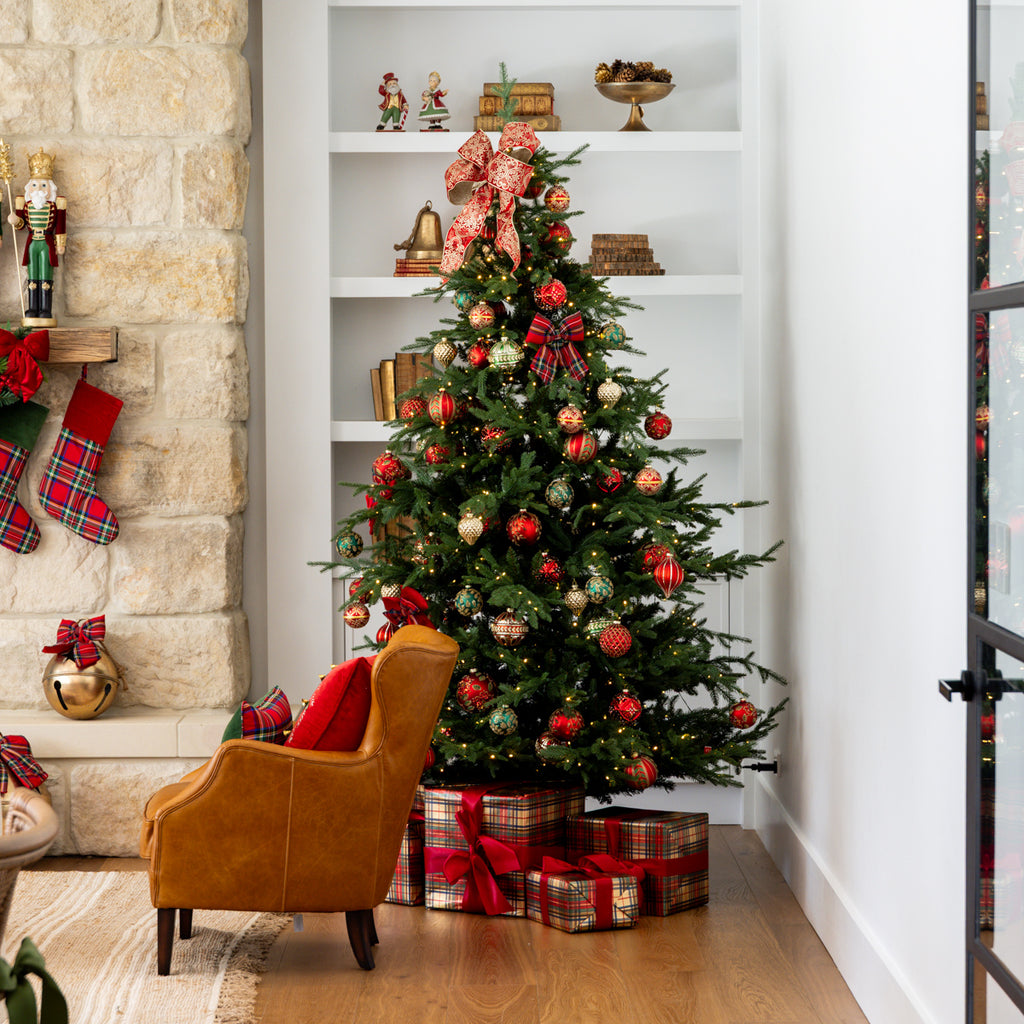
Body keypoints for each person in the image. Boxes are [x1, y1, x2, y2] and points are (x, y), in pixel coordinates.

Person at [7, 148, 65, 327]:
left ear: (50, 189)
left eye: (43, 186)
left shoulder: (55, 205)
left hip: (47, 243)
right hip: (32, 243)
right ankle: (33, 308)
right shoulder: (25, 205)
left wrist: (60, 243)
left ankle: (45, 309)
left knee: (45, 274)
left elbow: (61, 224)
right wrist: (15, 220)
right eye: (35, 185)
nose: (39, 189)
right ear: (29, 188)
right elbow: (21, 225)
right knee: (33, 275)